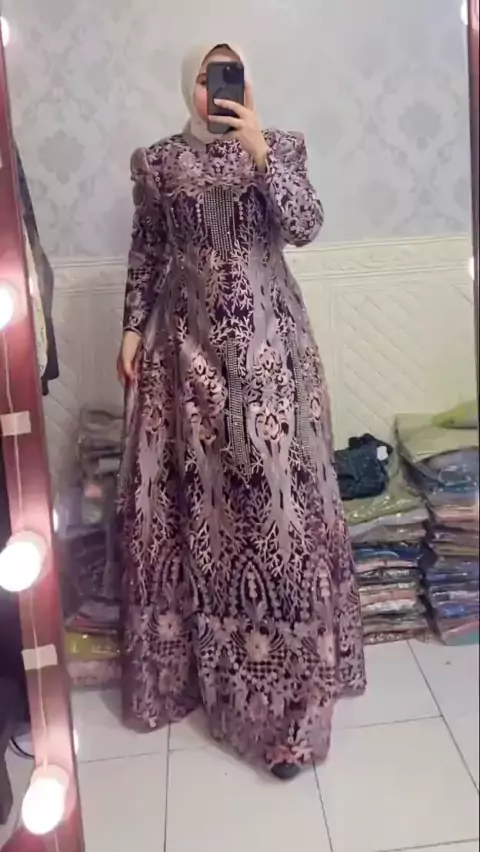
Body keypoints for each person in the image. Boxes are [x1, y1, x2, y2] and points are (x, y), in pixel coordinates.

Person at [117, 42, 366, 780]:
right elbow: (148, 251)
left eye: (230, 75)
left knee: (280, 517)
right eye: (205, 76)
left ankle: (296, 700)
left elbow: (306, 224)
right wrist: (130, 331)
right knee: (203, 515)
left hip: (271, 354)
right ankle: (207, 678)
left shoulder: (280, 146)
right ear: (188, 86)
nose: (216, 89)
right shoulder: (158, 162)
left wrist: (260, 151)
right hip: (185, 354)